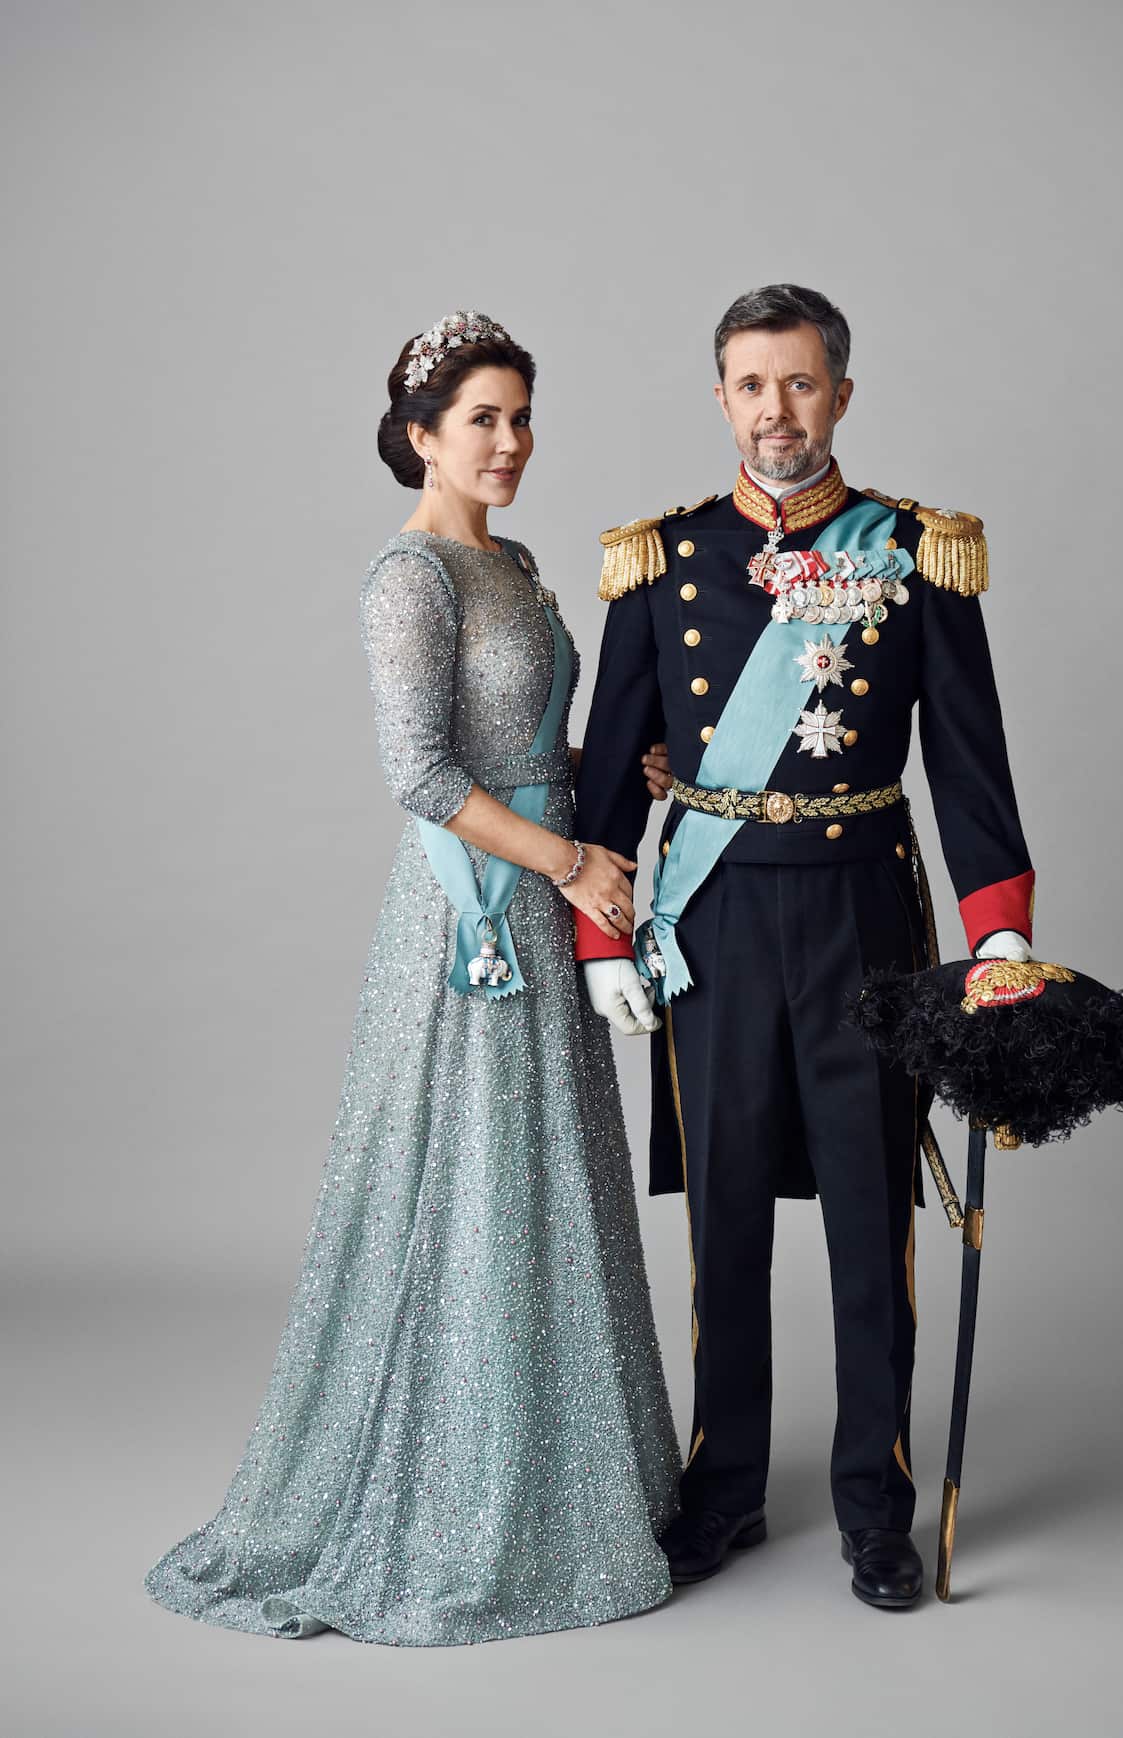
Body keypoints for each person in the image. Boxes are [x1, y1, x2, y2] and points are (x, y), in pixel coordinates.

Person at [145, 312, 683, 1646]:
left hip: (547, 889)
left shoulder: (521, 562)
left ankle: (563, 1487)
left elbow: (525, 737)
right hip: (473, 914)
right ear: (419, 436)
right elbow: (424, 775)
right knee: (464, 1187)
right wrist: (565, 860)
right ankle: (448, 1504)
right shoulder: (413, 578)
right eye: (483, 419)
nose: (511, 441)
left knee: (544, 1179)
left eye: (521, 414)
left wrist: (629, 774)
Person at [573, 285, 1035, 1611]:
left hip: (863, 917)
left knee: (868, 1212)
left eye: (801, 383)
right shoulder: (657, 561)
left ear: (840, 391)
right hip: (711, 921)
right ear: (720, 397)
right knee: (722, 1215)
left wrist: (997, 945)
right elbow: (614, 770)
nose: (777, 410)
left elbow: (971, 771)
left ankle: (873, 1500)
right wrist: (607, 933)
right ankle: (722, 1487)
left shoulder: (914, 550)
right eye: (751, 384)